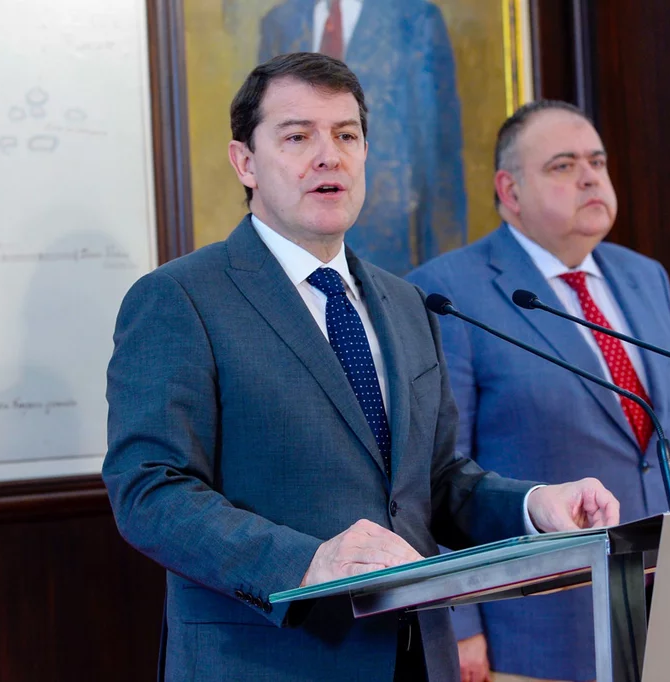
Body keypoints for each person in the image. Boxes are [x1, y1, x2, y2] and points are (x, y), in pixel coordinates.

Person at [102, 55, 620, 682]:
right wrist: (307, 563)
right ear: (245, 162)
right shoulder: (181, 298)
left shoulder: (407, 303)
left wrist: (536, 505)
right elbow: (150, 491)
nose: (329, 156)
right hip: (269, 660)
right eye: (298, 136)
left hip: (416, 657)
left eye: (346, 135)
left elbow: (437, 483)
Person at [407, 100, 670, 682]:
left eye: (597, 161)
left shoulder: (645, 276)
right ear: (510, 190)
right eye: (563, 166)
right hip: (537, 625)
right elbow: (438, 473)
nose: (591, 177)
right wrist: (459, 626)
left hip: (667, 611)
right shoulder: (449, 290)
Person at [257, 0, 465, 275]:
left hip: (394, 241)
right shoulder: (280, 21)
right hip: (294, 255)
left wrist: (441, 265)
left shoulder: (415, 18)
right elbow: (263, 130)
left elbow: (439, 151)